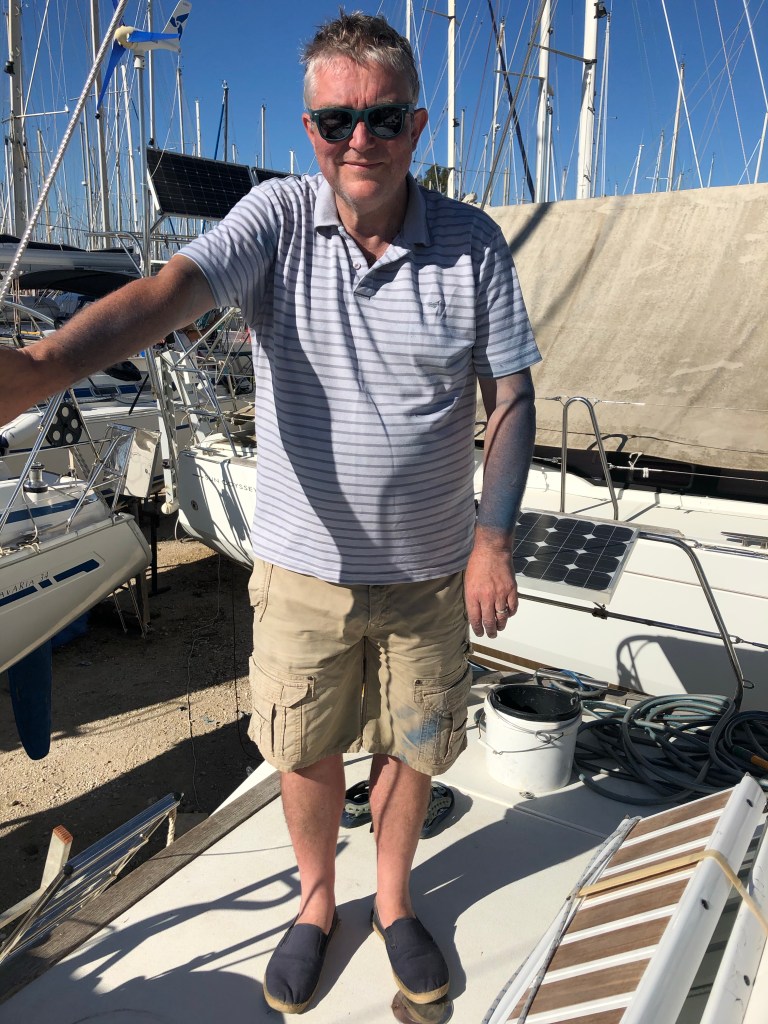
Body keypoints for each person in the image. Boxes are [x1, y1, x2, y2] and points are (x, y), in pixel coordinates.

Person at [0, 10, 539, 1015]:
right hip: (302, 572)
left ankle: (392, 898)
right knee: (303, 746)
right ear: (309, 130)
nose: (360, 138)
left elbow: (510, 397)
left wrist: (492, 540)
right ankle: (316, 903)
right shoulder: (278, 220)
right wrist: (40, 367)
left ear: (417, 125)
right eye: (337, 121)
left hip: (429, 573)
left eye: (383, 117)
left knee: (415, 742)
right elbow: (170, 291)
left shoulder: (472, 244)